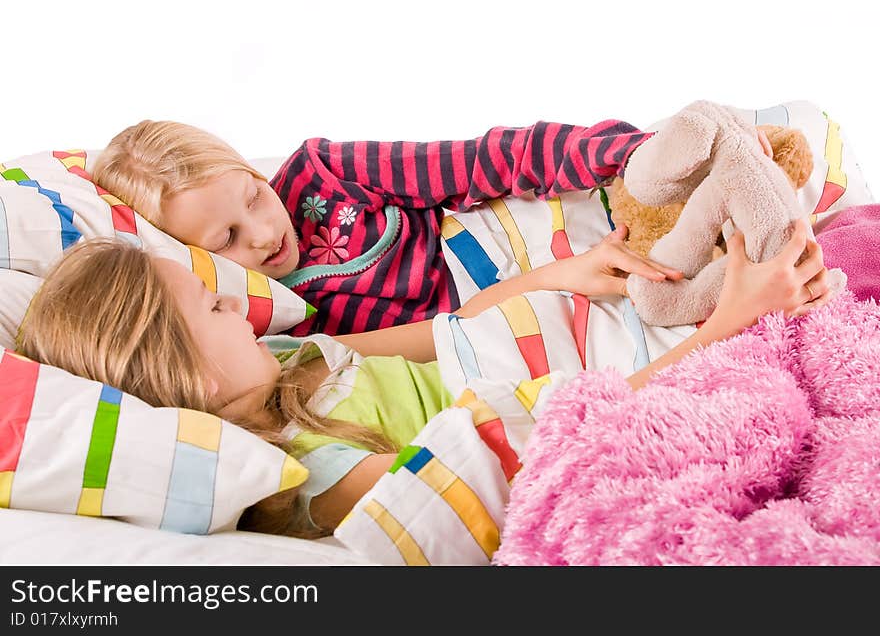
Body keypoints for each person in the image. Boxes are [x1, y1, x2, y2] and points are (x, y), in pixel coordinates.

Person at [15, 220, 830, 539]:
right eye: (208, 300)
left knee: (824, 235)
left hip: (594, 341)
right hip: (625, 394)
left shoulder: (298, 366)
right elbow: (542, 459)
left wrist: (560, 273)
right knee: (828, 282)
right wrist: (726, 329)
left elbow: (448, 331)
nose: (236, 294)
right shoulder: (311, 471)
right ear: (173, 364)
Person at [93, 116, 771, 337]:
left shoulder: (324, 172)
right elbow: (435, 346)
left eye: (254, 196)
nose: (263, 234)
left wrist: (622, 153)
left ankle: (708, 166)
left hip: (518, 232)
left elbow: (484, 162)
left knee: (663, 182)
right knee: (670, 292)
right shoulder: (267, 324)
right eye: (227, 243)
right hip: (516, 315)